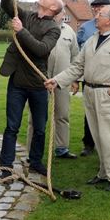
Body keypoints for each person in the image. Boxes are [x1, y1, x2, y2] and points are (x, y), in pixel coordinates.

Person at [45, 5, 110, 192]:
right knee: (99, 136)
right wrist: (57, 81)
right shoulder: (93, 39)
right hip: (91, 92)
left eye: (100, 14)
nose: (96, 15)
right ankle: (105, 173)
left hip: (108, 94)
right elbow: (77, 66)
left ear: (109, 20)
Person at [0, 0, 62, 177]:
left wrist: (21, 31)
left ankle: (35, 162)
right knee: (12, 126)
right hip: (17, 82)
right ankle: (6, 167)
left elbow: (41, 50)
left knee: (40, 128)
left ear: (53, 9)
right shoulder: (27, 16)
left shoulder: (53, 28)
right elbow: (7, 5)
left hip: (37, 84)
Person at [26, 9, 80, 159]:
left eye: (61, 12)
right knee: (35, 117)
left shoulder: (69, 31)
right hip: (40, 80)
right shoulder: (38, 27)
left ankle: (62, 148)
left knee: (62, 114)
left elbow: (76, 56)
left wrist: (75, 79)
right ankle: (32, 151)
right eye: (55, 12)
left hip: (62, 80)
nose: (58, 15)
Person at [76, 0, 110, 157]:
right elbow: (77, 51)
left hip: (108, 78)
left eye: (101, 7)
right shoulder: (85, 28)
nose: (97, 10)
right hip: (89, 77)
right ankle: (88, 144)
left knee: (108, 113)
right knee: (89, 111)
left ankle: (107, 144)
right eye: (95, 7)